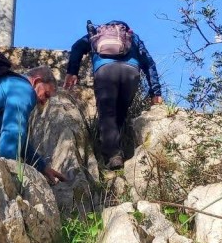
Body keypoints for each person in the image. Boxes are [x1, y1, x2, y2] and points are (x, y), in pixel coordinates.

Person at [64, 20, 163, 170]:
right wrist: (155, 92)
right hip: (131, 73)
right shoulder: (132, 37)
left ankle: (113, 156)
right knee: (121, 112)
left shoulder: (95, 33)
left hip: (105, 72)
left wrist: (72, 72)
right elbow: (149, 63)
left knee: (107, 114)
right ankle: (121, 147)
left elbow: (77, 47)